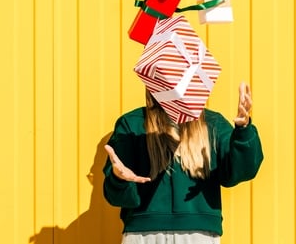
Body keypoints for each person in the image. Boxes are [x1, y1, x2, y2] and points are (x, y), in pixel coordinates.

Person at [103, 82, 263, 244]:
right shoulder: (132, 124)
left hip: (199, 235)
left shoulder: (213, 123)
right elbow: (116, 197)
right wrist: (118, 178)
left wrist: (243, 129)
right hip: (143, 234)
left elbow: (239, 172)